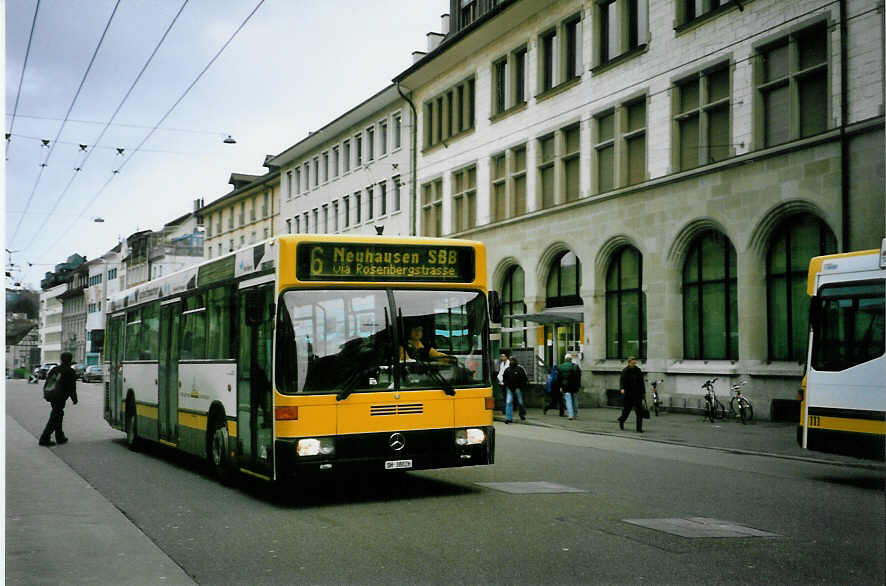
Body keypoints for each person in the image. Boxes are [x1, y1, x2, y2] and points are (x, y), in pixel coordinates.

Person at [38, 352, 78, 446]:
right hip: (60, 397)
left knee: (58, 415)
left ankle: (60, 436)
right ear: (70, 360)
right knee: (55, 417)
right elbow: (71, 387)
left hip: (52, 396)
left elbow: (48, 382)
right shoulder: (70, 371)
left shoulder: (55, 369)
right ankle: (44, 438)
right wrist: (74, 399)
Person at [618, 356, 646, 432]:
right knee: (626, 411)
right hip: (628, 395)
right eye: (632, 363)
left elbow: (641, 383)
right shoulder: (625, 371)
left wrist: (643, 393)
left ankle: (639, 428)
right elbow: (622, 381)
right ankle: (622, 420)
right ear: (629, 362)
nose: (633, 364)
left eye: (634, 362)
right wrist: (622, 389)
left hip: (638, 394)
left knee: (639, 412)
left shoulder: (638, 370)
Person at [502, 356, 527, 423]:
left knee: (520, 402)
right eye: (510, 361)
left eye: (512, 360)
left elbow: (524, 378)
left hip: (517, 388)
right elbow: (504, 378)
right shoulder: (508, 369)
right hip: (510, 388)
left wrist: (521, 386)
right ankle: (508, 418)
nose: (511, 362)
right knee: (509, 402)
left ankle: (522, 414)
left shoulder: (519, 369)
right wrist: (506, 384)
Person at [557, 354, 582, 420]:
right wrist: (578, 385)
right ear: (571, 359)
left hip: (565, 386)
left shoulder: (560, 367)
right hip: (574, 386)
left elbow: (559, 378)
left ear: (565, 359)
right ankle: (575, 414)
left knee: (568, 400)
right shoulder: (576, 367)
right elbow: (579, 377)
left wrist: (560, 387)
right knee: (575, 400)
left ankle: (570, 415)